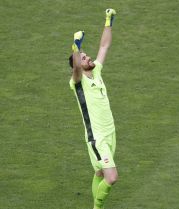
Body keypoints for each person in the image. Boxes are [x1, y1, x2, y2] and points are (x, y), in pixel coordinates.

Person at [68, 8, 117, 209]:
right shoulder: (78, 82)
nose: (88, 58)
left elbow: (104, 46)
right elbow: (77, 68)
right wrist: (76, 46)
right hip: (97, 138)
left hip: (110, 133)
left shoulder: (96, 72)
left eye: (87, 55)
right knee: (111, 177)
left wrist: (108, 21)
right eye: (83, 56)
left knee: (99, 173)